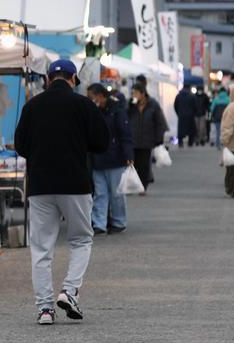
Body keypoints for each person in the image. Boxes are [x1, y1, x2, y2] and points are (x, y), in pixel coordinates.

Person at [15, 60, 109, 326]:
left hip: (41, 186)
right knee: (81, 240)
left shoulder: (32, 106)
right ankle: (69, 291)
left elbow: (21, 145)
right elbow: (102, 142)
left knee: (42, 248)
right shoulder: (84, 105)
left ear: (47, 78)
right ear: (74, 79)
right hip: (75, 184)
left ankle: (45, 309)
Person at [86, 84, 133, 234]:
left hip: (115, 159)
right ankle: (99, 223)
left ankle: (119, 222)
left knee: (117, 193)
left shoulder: (117, 111)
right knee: (100, 194)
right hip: (97, 160)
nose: (90, 100)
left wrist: (128, 156)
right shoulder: (93, 112)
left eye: (91, 97)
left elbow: (125, 135)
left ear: (101, 96)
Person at [128, 83, 168, 193]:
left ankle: (143, 187)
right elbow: (126, 119)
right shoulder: (131, 105)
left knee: (144, 165)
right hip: (133, 139)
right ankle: (132, 186)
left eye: (136, 93)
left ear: (143, 93)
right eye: (133, 93)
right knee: (132, 164)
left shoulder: (153, 104)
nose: (134, 95)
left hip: (147, 140)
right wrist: (130, 106)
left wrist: (159, 138)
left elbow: (160, 122)